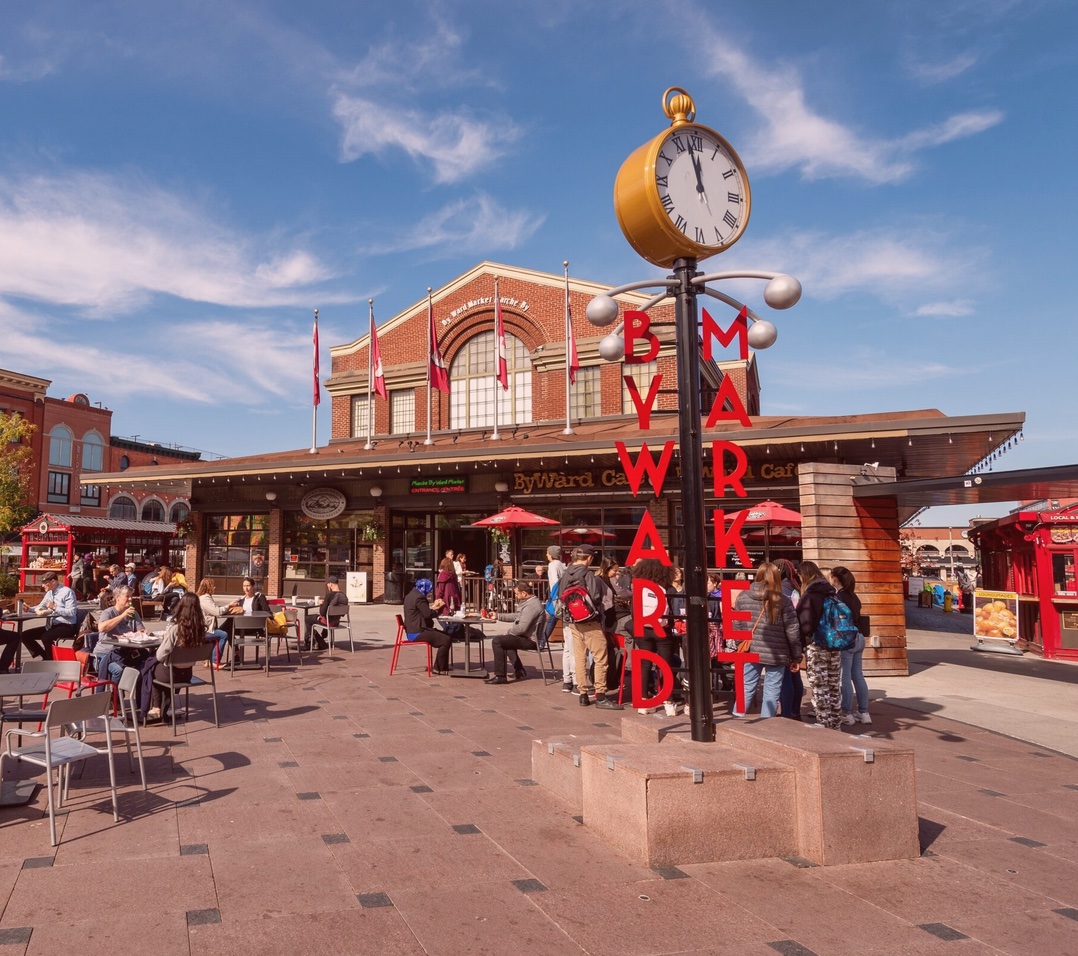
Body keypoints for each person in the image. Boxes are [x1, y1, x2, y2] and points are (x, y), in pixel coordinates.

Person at [731, 562, 802, 718]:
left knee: (747, 686)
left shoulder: (743, 596)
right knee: (772, 690)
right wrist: (796, 656)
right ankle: (767, 725)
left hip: (751, 649)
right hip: (777, 652)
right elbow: (792, 631)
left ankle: (736, 718)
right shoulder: (783, 600)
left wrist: (740, 644)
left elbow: (736, 624)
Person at [560, 545, 621, 710]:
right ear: (589, 558)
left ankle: (583, 695)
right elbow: (595, 597)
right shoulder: (587, 574)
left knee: (579, 658)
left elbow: (560, 595)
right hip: (590, 621)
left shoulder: (566, 573)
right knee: (601, 657)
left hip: (573, 622)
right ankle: (600, 695)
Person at [626, 558, 680, 715]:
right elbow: (675, 611)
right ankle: (669, 702)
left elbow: (634, 612)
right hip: (662, 631)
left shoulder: (639, 588)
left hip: (643, 630)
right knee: (666, 665)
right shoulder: (669, 589)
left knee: (645, 665)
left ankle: (643, 702)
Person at [147, 592, 208, 722]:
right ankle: (164, 708)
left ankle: (156, 707)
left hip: (171, 674)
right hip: (187, 674)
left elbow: (160, 654)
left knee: (151, 668)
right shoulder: (201, 629)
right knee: (162, 670)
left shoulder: (176, 629)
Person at [798, 560, 843, 729]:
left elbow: (806, 625)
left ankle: (824, 726)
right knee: (833, 686)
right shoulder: (832, 593)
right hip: (835, 644)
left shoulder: (810, 596)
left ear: (803, 575)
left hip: (817, 646)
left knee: (819, 687)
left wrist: (802, 641)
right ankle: (836, 725)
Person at [831, 566, 871, 725]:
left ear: (835, 579)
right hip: (859, 637)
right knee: (857, 675)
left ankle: (846, 712)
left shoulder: (837, 598)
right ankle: (864, 712)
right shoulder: (854, 597)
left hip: (846, 638)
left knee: (844, 676)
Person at [486, 581, 543, 684]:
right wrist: (498, 616)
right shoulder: (528, 602)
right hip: (525, 636)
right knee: (506, 641)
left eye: (517, 593)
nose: (516, 596)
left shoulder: (532, 606)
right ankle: (519, 670)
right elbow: (516, 616)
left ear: (524, 593)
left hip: (530, 640)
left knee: (497, 641)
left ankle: (500, 676)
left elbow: (521, 628)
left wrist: (509, 632)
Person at [18, 571, 79, 662]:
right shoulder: (49, 593)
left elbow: (72, 612)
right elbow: (41, 606)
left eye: (45, 583)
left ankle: (50, 661)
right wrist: (30, 609)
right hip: (52, 625)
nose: (43, 586)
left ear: (53, 581)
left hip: (67, 625)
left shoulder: (67, 592)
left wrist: (54, 607)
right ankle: (44, 656)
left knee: (46, 637)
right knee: (25, 635)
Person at [95, 586, 146, 684]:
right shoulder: (108, 612)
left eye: (131, 596)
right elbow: (101, 628)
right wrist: (123, 615)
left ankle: (140, 696)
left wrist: (143, 633)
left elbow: (141, 630)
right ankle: (113, 697)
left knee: (146, 665)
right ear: (118, 597)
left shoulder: (133, 613)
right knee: (119, 670)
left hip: (125, 653)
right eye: (127, 596)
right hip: (105, 654)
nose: (130, 599)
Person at [538, 545, 573, 692]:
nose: (546, 555)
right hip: (562, 599)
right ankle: (542, 640)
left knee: (551, 619)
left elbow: (554, 583)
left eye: (547, 553)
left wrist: (553, 600)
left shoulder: (552, 565)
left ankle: (541, 641)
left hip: (557, 600)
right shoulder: (561, 565)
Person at [402, 578, 452, 674]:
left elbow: (422, 612)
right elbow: (428, 614)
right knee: (446, 640)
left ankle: (442, 667)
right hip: (418, 632)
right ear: (424, 588)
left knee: (446, 636)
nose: (429, 593)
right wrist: (438, 610)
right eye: (429, 590)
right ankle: (439, 668)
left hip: (412, 630)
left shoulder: (410, 595)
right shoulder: (419, 597)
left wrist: (432, 609)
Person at [777, 559, 804, 720]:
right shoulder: (797, 588)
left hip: (784, 636)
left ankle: (787, 712)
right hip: (797, 635)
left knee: (785, 676)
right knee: (795, 675)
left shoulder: (780, 590)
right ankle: (795, 710)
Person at [306, 576, 349, 650]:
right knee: (327, 616)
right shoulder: (344, 596)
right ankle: (323, 635)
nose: (327, 586)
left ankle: (316, 642)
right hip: (336, 622)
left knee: (307, 619)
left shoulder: (329, 595)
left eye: (328, 584)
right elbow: (342, 614)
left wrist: (321, 604)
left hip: (328, 622)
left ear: (331, 584)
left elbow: (322, 612)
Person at [196, 577, 230, 669]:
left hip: (204, 628)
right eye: (213, 586)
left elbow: (213, 609)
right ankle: (214, 661)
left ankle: (207, 659)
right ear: (208, 587)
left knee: (221, 631)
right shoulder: (205, 598)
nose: (214, 588)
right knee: (223, 635)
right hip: (205, 630)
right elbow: (217, 611)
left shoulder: (202, 597)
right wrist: (229, 606)